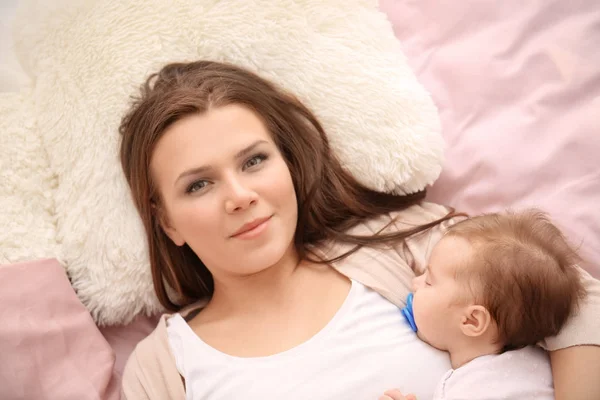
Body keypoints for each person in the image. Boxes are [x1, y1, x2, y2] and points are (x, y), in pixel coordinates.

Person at [118, 60, 600, 399]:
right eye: (199, 184)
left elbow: (578, 301)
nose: (239, 195)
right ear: (167, 222)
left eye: (254, 160)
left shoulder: (405, 245)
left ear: (288, 165)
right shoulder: (163, 367)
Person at [381, 210, 586, 400]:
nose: (414, 283)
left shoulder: (475, 389)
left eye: (428, 281)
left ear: (472, 320)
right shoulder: (541, 368)